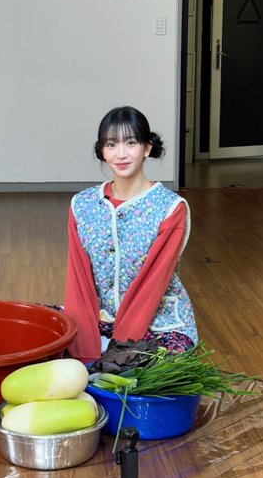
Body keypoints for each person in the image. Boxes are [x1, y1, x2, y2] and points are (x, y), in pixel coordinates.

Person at [64, 106, 197, 364]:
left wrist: (118, 355)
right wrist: (85, 353)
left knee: (158, 369)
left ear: (147, 148)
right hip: (100, 318)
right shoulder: (82, 205)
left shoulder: (170, 208)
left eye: (131, 142)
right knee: (42, 335)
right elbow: (78, 282)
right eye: (111, 144)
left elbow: (151, 286)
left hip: (157, 323)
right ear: (102, 151)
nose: (121, 154)